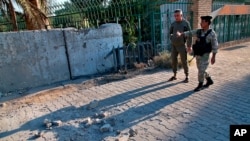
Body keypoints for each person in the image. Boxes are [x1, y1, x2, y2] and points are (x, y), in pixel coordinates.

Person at [177, 15, 218, 92]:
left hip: (205, 55)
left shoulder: (212, 33)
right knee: (201, 69)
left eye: (202, 22)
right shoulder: (199, 31)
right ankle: (209, 80)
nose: (200, 23)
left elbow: (215, 45)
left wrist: (213, 57)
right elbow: (190, 33)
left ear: (207, 23)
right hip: (198, 54)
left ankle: (200, 84)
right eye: (201, 21)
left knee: (201, 70)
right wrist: (181, 34)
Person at [169, 9, 192, 83]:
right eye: (175, 16)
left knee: (184, 61)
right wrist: (172, 38)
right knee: (173, 60)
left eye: (178, 15)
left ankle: (187, 76)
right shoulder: (173, 24)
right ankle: (175, 75)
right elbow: (170, 33)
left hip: (182, 45)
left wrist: (189, 46)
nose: (176, 17)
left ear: (181, 15)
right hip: (174, 45)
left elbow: (190, 35)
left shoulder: (186, 23)